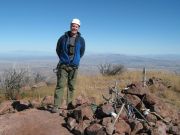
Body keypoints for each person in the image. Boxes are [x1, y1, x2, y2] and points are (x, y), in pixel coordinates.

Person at [52, 18, 85, 113]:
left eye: (76, 26)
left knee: (71, 86)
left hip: (74, 67)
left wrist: (76, 60)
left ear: (78, 28)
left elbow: (81, 52)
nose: (74, 27)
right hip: (63, 66)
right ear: (70, 26)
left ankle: (70, 106)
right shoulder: (63, 38)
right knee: (60, 85)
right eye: (73, 25)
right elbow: (58, 50)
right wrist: (63, 59)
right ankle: (56, 106)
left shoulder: (81, 40)